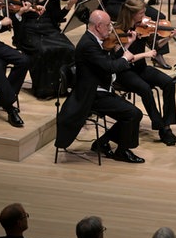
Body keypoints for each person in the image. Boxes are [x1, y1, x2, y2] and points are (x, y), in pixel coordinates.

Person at [55, 10, 145, 164]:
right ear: (98, 26)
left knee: (133, 114)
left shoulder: (95, 40)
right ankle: (121, 152)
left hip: (101, 88)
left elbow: (107, 64)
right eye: (108, 25)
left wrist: (127, 45)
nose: (111, 28)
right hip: (91, 95)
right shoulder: (88, 45)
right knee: (133, 114)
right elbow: (110, 67)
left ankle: (102, 142)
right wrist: (124, 58)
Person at [114, 0, 176, 146]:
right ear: (131, 14)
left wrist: (169, 37)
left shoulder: (142, 27)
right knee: (145, 89)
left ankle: (167, 124)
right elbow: (120, 58)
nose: (144, 17)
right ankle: (161, 127)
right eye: (141, 14)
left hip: (141, 68)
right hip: (125, 72)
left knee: (169, 82)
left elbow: (155, 45)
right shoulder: (118, 30)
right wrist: (138, 49)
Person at [11, 0, 76, 100]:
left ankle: (64, 86)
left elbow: (56, 18)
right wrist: (24, 11)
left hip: (48, 28)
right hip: (29, 30)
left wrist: (68, 6)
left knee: (70, 48)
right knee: (44, 50)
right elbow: (13, 15)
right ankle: (44, 90)